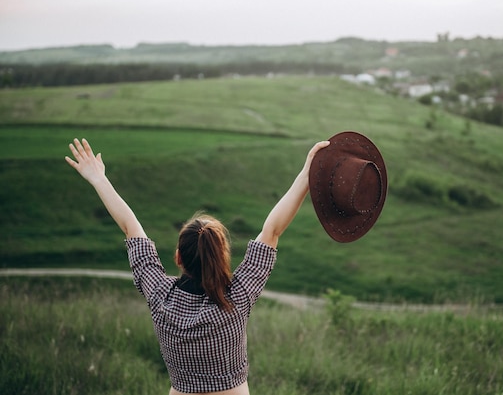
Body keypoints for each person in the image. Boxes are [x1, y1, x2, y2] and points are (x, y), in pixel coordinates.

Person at [65, 137, 329, 395]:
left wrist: (99, 179)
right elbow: (272, 230)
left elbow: (130, 227)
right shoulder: (235, 298)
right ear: (222, 256)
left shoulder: (160, 296)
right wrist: (306, 176)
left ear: (179, 257)